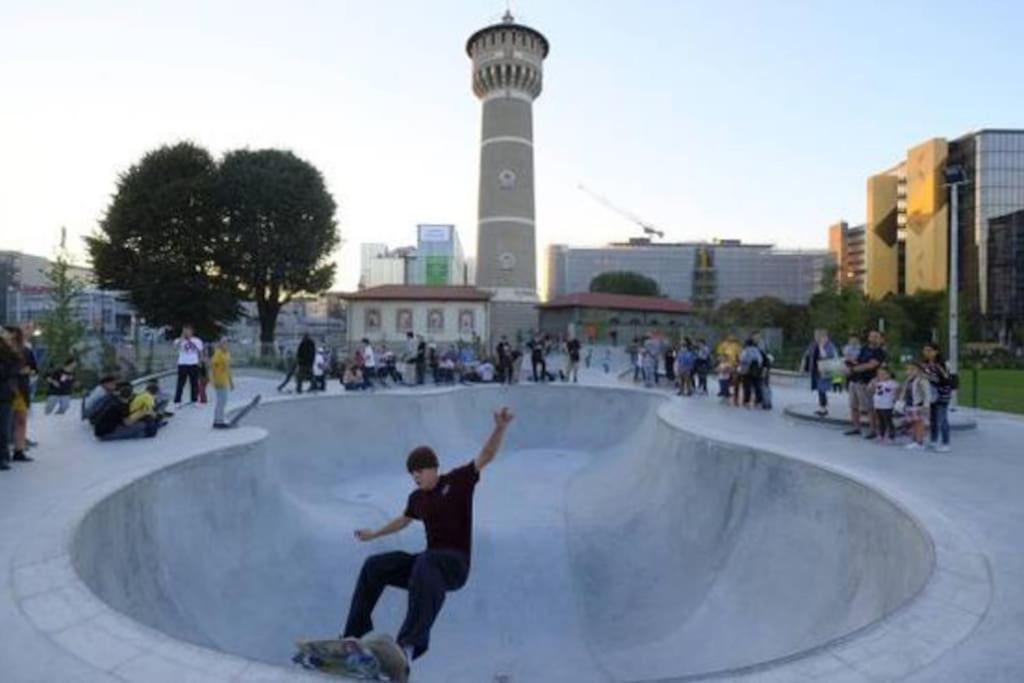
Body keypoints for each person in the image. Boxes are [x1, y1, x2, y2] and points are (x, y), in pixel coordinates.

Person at [341, 407, 516, 679]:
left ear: (434, 468)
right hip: (428, 565)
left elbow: (486, 456)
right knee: (375, 566)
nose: (416, 477)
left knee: (426, 560)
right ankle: (353, 638)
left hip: (455, 565)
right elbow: (403, 520)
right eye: (412, 474)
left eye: (420, 471)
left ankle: (406, 649)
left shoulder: (457, 481)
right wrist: (373, 534)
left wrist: (500, 427)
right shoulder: (416, 498)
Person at [845, 329, 886, 439]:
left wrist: (854, 369)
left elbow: (871, 365)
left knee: (869, 407)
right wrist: (849, 362)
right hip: (855, 380)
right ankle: (856, 427)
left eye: (876, 336)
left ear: (880, 339)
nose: (873, 338)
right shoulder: (864, 348)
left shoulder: (880, 352)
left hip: (867, 382)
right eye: (872, 336)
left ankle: (873, 430)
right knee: (853, 406)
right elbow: (859, 361)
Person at [6, 326, 36, 462]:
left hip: (21, 390)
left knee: (21, 421)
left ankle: (19, 450)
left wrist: (29, 371)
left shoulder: (26, 351)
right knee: (5, 422)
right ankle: (5, 451)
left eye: (13, 334)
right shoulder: (3, 352)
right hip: (6, 390)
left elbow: (34, 369)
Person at [94, 382, 160, 441]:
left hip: (102, 429)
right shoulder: (122, 406)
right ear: (130, 396)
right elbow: (127, 423)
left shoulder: (116, 400)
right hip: (105, 434)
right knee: (140, 426)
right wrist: (143, 413)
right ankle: (142, 434)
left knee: (139, 424)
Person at [921, 342, 954, 452]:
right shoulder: (924, 364)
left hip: (942, 395)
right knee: (932, 419)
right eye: (925, 350)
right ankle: (933, 440)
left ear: (936, 352)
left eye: (929, 350)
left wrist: (928, 377)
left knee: (942, 419)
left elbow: (945, 380)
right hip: (930, 394)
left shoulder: (942, 364)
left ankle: (946, 443)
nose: (927, 353)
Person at [802, 330, 840, 417]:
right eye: (815, 336)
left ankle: (823, 408)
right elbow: (807, 354)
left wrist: (821, 346)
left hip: (825, 370)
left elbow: (825, 356)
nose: (817, 338)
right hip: (816, 370)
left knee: (822, 389)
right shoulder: (814, 344)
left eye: (818, 336)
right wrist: (803, 366)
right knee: (820, 389)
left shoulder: (829, 346)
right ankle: (822, 407)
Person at [0, 329, 21, 471]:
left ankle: (2, 457)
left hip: (4, 394)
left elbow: (10, 373)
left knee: (3, 428)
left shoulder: (11, 355)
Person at [900, 363, 931, 450]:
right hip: (910, 404)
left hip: (918, 405)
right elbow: (904, 391)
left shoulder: (922, 380)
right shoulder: (908, 380)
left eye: (912, 369)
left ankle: (919, 442)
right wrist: (901, 400)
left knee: (919, 424)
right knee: (913, 423)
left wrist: (926, 405)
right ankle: (914, 440)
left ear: (918, 371)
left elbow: (927, 394)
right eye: (908, 369)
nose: (909, 371)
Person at [173, 325, 204, 405]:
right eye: (185, 331)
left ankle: (194, 400)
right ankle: (177, 401)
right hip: (182, 364)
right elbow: (175, 348)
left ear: (192, 331)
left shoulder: (197, 341)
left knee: (194, 383)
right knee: (180, 383)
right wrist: (182, 337)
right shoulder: (179, 340)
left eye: (189, 330)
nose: (187, 332)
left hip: (193, 363)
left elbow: (200, 352)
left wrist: (200, 361)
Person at [871, 366, 899, 443]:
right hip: (878, 405)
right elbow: (872, 390)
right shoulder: (877, 383)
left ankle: (891, 436)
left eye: (883, 374)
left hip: (887, 405)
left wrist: (895, 400)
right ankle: (881, 435)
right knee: (880, 421)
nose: (881, 376)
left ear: (888, 375)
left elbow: (896, 393)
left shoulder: (892, 383)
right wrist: (873, 383)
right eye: (879, 374)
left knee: (888, 420)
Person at [211, 339, 234, 428]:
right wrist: (215, 380)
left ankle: (218, 420)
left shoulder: (227, 354)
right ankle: (218, 421)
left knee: (223, 401)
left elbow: (228, 369)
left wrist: (231, 382)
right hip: (219, 380)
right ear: (221, 344)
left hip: (224, 380)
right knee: (221, 401)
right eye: (224, 343)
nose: (226, 345)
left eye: (227, 343)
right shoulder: (218, 353)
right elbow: (213, 367)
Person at [737, 338, 765, 408]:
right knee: (757, 386)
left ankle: (747, 402)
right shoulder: (757, 350)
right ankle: (759, 402)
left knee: (747, 387)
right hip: (756, 371)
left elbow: (742, 359)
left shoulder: (745, 350)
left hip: (746, 371)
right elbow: (760, 360)